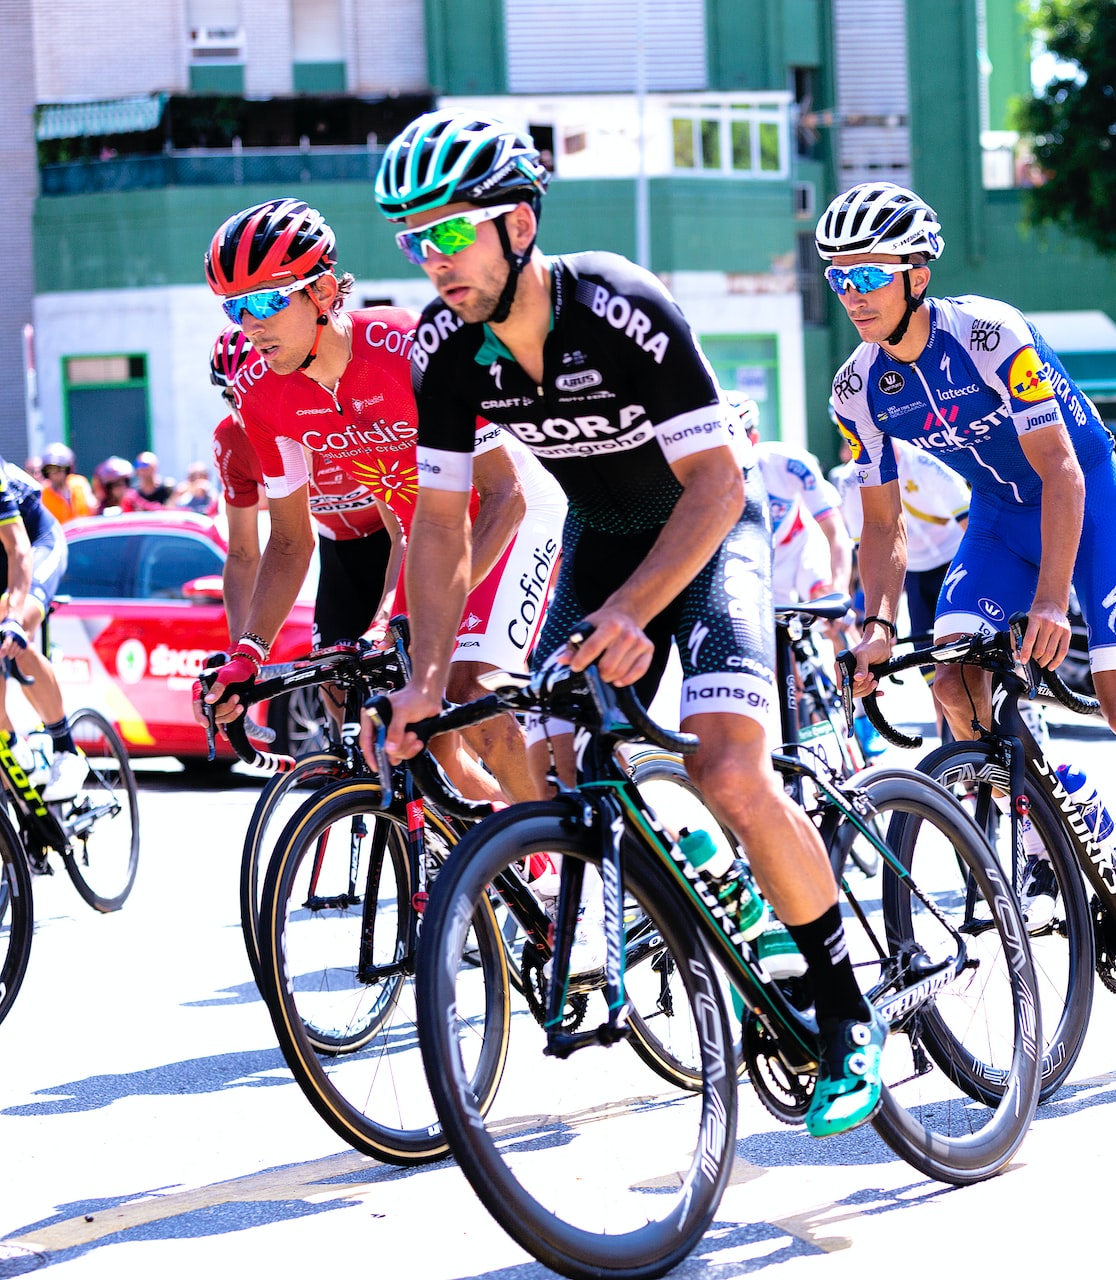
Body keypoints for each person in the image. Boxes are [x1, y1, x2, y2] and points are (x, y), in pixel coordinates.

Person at [370, 110, 890, 1140]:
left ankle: (845, 1007)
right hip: (602, 538)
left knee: (729, 768)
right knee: (551, 758)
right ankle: (699, 888)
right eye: (412, 240)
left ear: (518, 225)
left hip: (708, 530)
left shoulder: (616, 305)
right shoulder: (444, 347)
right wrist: (427, 676)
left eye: (447, 233)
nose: (431, 260)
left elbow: (715, 484)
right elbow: (439, 523)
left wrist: (633, 610)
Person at [824, 181, 1116, 973]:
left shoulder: (991, 333)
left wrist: (1053, 601)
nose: (852, 294)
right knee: (951, 678)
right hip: (997, 520)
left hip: (1085, 506)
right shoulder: (858, 390)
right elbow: (881, 528)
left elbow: (1061, 469)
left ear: (917, 273)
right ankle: (1037, 829)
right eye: (838, 277)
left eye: (868, 274)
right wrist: (877, 627)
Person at [197, 196, 565, 807]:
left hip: (512, 509)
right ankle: (507, 864)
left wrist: (424, 610)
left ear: (320, 293)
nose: (250, 324)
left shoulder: (404, 345)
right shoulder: (263, 399)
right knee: (424, 739)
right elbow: (289, 543)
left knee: (471, 688)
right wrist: (247, 654)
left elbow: (507, 494)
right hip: (431, 528)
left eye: (265, 300)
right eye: (236, 308)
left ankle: (575, 863)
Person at [206, 326, 402, 650]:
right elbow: (243, 555)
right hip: (338, 552)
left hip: (392, 539)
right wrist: (241, 651)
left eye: (250, 390)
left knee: (405, 661)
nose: (244, 406)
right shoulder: (231, 442)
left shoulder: (324, 414)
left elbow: (402, 532)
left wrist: (384, 620)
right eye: (232, 397)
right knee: (332, 676)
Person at [0, 459, 87, 800]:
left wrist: (13, 618)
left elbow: (19, 550)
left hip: (35, 543)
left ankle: (67, 751)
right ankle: (10, 745)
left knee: (13, 627)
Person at [733, 391, 851, 606]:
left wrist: (839, 591)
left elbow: (836, 533)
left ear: (754, 439)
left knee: (832, 614)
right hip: (749, 563)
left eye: (737, 442)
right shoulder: (702, 480)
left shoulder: (789, 463)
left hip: (800, 548)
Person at [38, 445, 95, 524]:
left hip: (84, 533)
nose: (55, 474)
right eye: (50, 469)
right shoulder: (43, 493)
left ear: (67, 469)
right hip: (60, 535)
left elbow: (92, 505)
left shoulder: (80, 483)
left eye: (59, 469)